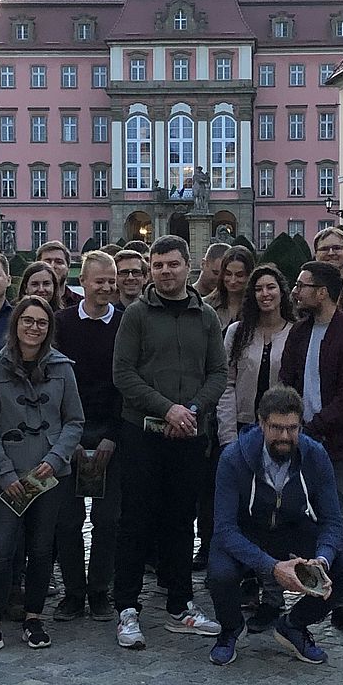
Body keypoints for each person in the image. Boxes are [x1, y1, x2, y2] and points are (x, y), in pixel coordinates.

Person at [111, 234, 227, 647]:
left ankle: (180, 604)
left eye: (172, 264)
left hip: (190, 433)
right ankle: (126, 608)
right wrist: (167, 409)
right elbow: (123, 374)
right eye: (158, 266)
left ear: (187, 265)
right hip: (143, 433)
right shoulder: (137, 315)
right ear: (150, 271)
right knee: (136, 520)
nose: (165, 272)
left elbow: (218, 373)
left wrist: (192, 409)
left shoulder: (206, 316)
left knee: (181, 520)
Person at [204, 386, 343, 667]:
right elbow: (224, 529)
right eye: (277, 428)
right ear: (261, 423)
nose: (285, 437)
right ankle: (229, 630)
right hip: (245, 530)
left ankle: (295, 625)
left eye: (292, 428)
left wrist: (322, 560)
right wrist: (272, 567)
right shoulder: (233, 458)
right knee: (220, 573)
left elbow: (333, 521)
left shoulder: (315, 455)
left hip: (292, 527)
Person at [0, 295, 85, 658]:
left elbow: (74, 421)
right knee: (0, 550)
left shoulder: (63, 367)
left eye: (41, 322)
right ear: (16, 324)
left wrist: (55, 459)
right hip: (8, 475)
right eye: (28, 321)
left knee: (40, 549)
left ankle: (34, 617)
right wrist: (4, 473)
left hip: (50, 475)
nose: (34, 327)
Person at [281, 260, 343, 636]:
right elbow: (287, 379)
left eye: (303, 286)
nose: (296, 292)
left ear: (322, 292)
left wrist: (316, 427)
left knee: (339, 520)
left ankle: (342, 602)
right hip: (297, 443)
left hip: (336, 446)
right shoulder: (300, 332)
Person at [54, 250, 124, 623]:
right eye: (100, 281)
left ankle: (99, 590)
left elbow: (126, 384)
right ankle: (72, 592)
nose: (107, 287)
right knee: (67, 521)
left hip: (111, 432)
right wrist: (71, 438)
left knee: (107, 519)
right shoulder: (61, 323)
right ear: (82, 282)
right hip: (68, 434)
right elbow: (52, 384)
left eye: (111, 281)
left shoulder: (125, 323)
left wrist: (112, 436)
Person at [217, 264, 294, 442]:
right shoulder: (237, 332)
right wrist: (228, 436)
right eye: (259, 289)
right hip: (242, 425)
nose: (265, 293)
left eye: (271, 287)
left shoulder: (294, 332)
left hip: (282, 428)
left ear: (282, 292)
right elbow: (227, 383)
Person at [207, 247, 254, 322]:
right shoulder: (207, 305)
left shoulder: (258, 306)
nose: (233, 281)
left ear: (250, 275)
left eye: (239, 275)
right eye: (228, 274)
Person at [33, 240, 75, 306]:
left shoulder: (81, 305)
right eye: (47, 262)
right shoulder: (20, 306)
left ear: (68, 268)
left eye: (59, 262)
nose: (52, 266)